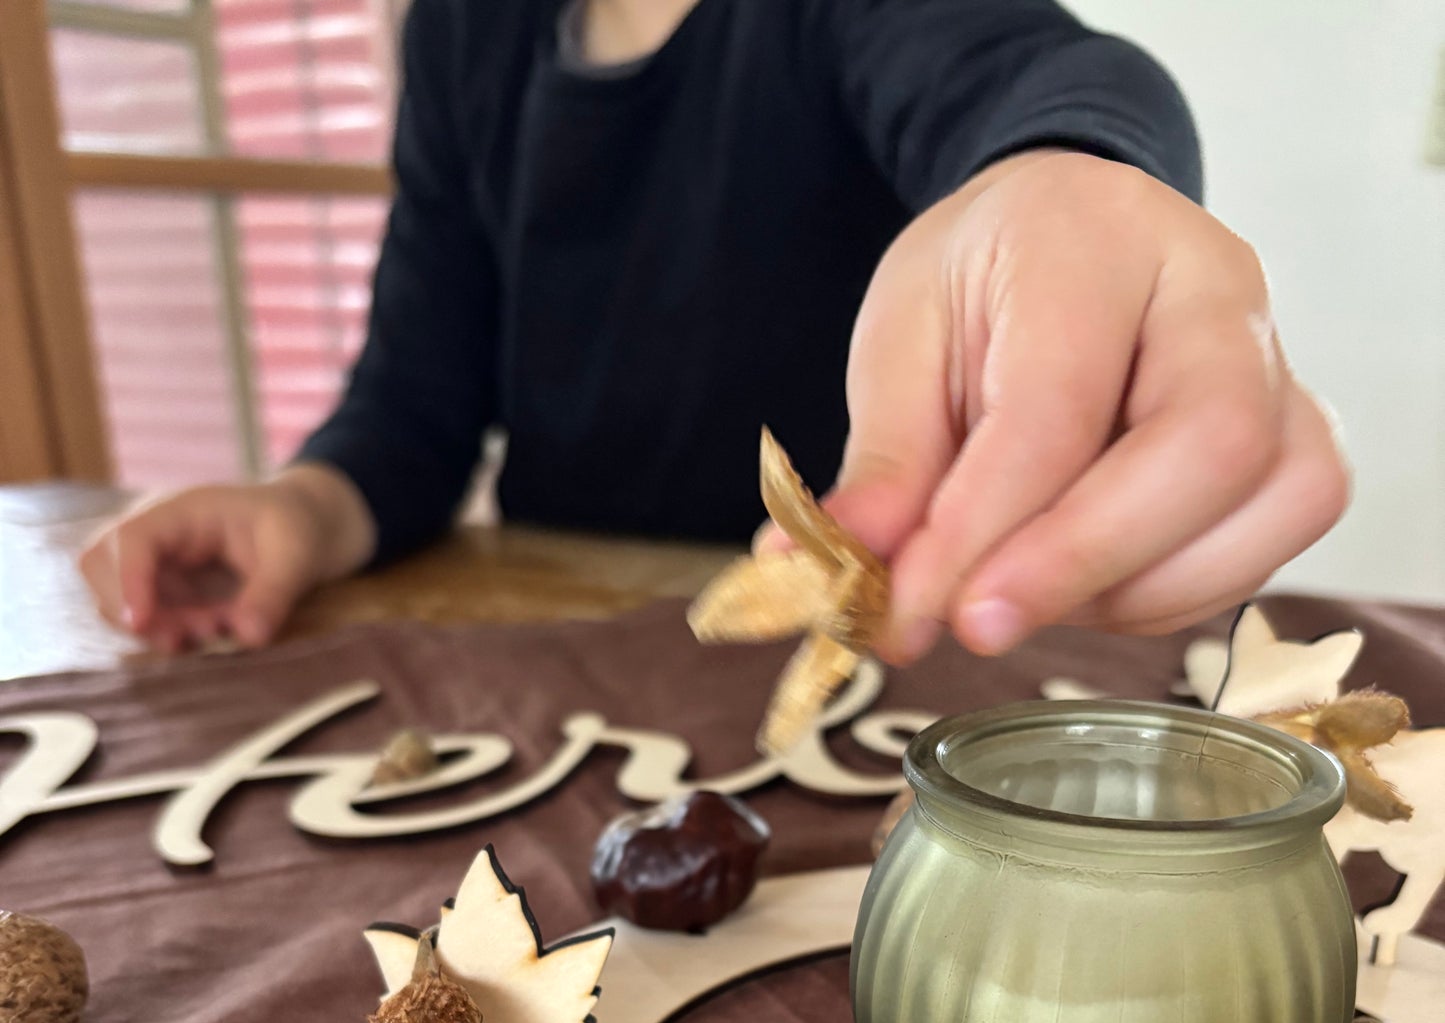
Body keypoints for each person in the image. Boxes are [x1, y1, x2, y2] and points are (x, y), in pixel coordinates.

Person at [78, 0, 1349, 668]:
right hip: (556, 638)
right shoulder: (465, 30)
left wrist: (1071, 173)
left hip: (854, 645)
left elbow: (1035, 72)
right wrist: (301, 508)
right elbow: (412, 405)